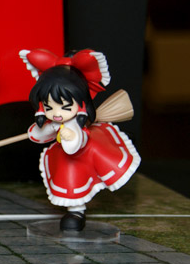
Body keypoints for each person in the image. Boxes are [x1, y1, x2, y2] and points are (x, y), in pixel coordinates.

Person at [22, 48, 140, 231]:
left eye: (64, 107)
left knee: (75, 178)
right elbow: (37, 135)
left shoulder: (76, 123)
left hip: (84, 154)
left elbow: (75, 144)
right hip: (65, 158)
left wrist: (70, 136)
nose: (56, 113)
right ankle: (76, 211)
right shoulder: (54, 121)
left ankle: (77, 212)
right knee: (69, 180)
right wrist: (50, 128)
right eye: (49, 107)